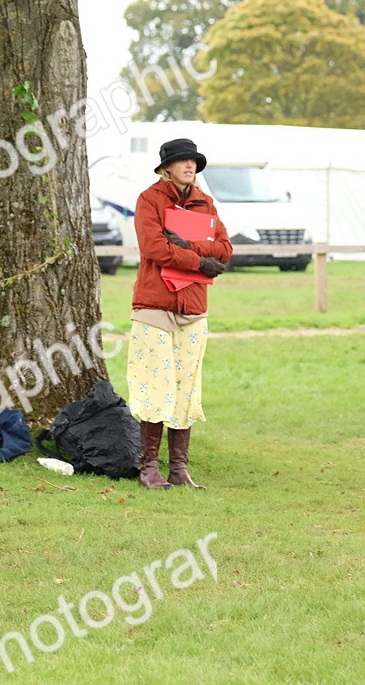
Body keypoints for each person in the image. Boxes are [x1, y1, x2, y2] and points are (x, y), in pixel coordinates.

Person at [128, 138, 232, 490]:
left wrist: (188, 246)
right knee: (155, 385)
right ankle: (148, 468)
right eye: (183, 161)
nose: (190, 166)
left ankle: (179, 469)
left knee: (186, 387)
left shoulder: (206, 202)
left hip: (193, 306)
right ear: (166, 167)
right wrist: (200, 261)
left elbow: (225, 249)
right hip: (155, 304)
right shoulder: (150, 200)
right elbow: (155, 248)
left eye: (193, 161)